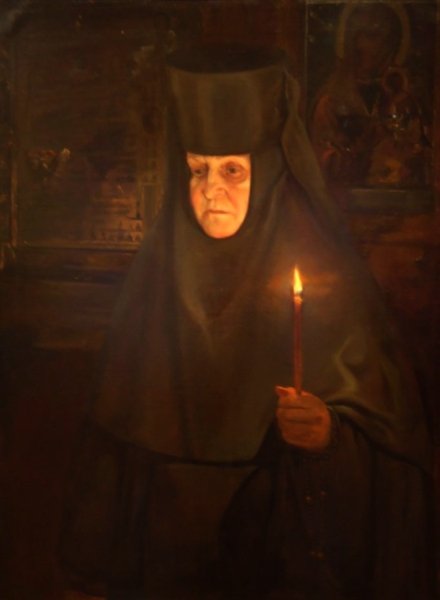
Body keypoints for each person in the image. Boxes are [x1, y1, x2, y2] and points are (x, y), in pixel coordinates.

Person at [59, 46, 434, 599]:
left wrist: (330, 436)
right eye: (197, 169)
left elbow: (398, 468)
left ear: (272, 169)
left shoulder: (334, 284)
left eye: (232, 170)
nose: (211, 189)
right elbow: (107, 481)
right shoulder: (154, 280)